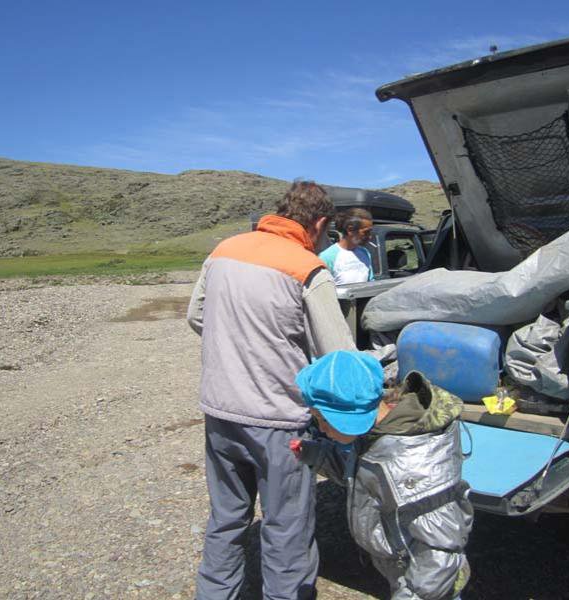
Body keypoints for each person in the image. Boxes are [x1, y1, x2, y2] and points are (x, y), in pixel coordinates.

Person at [186, 181, 358, 599]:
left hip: (220, 411)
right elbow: (338, 355)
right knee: (287, 527)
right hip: (279, 421)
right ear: (319, 223)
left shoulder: (224, 250)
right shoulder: (307, 268)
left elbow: (196, 316)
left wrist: (239, 343)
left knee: (226, 518)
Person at [294, 350, 473, 600]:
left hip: (428, 584)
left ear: (350, 414)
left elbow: (440, 553)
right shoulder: (378, 433)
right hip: (405, 568)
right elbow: (363, 475)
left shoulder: (412, 465)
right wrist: (318, 454)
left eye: (324, 419)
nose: (321, 429)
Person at [319, 207, 375, 284]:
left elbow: (371, 283)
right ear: (350, 230)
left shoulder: (365, 253)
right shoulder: (327, 257)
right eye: (366, 232)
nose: (370, 236)